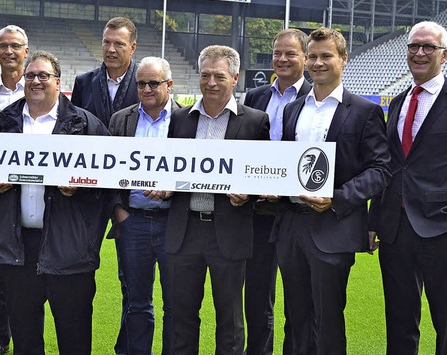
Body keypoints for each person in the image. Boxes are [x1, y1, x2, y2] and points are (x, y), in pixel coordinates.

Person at [0, 50, 116, 355]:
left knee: (74, 333)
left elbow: (108, 185)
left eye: (44, 75)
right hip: (17, 247)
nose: (36, 81)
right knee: (25, 336)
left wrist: (79, 190)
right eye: (31, 76)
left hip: (68, 246)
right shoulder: (4, 122)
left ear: (58, 81)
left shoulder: (85, 124)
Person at [274, 27, 390, 354]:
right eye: (312, 56)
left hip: (333, 229)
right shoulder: (292, 109)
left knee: (326, 322)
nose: (318, 63)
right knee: (295, 319)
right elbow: (285, 163)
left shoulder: (365, 112)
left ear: (343, 59)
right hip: (292, 226)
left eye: (326, 56)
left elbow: (381, 170)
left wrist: (337, 198)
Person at [165, 45, 270, 354]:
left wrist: (248, 195)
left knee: (231, 320)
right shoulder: (180, 119)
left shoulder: (255, 121)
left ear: (235, 78)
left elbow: (262, 174)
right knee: (181, 317)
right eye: (205, 75)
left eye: (219, 76)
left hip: (229, 232)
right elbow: (171, 166)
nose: (211, 82)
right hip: (185, 231)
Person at [369, 21, 447, 354]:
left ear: (446, 54)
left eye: (429, 47)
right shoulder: (397, 102)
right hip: (395, 228)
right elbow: (389, 167)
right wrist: (375, 220)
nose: (419, 53)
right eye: (414, 46)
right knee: (399, 319)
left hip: (442, 227)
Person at [71, 16, 140, 354]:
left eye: (119, 44)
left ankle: (126, 347)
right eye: (106, 42)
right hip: (88, 194)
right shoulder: (84, 82)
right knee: (80, 273)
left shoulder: (146, 81)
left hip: (129, 197)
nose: (111, 49)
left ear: (133, 47)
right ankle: (78, 344)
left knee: (132, 277)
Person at [242, 28, 310, 355]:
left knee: (298, 300)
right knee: (256, 297)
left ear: (306, 58)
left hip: (298, 213)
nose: (282, 59)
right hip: (258, 213)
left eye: (291, 53)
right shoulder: (255, 97)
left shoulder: (316, 97)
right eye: (277, 53)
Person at [109, 57, 181, 355]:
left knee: (176, 302)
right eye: (141, 83)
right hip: (133, 221)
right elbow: (107, 171)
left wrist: (173, 191)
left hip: (172, 223)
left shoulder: (186, 118)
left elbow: (195, 172)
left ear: (169, 84)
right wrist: (119, 211)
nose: (147, 89)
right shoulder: (121, 119)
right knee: (136, 302)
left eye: (154, 83)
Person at [0, 24, 30, 355]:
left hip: (38, 193)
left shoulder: (44, 86)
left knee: (32, 273)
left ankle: (28, 338)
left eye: (15, 45)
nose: (9, 51)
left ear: (26, 50)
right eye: (3, 46)